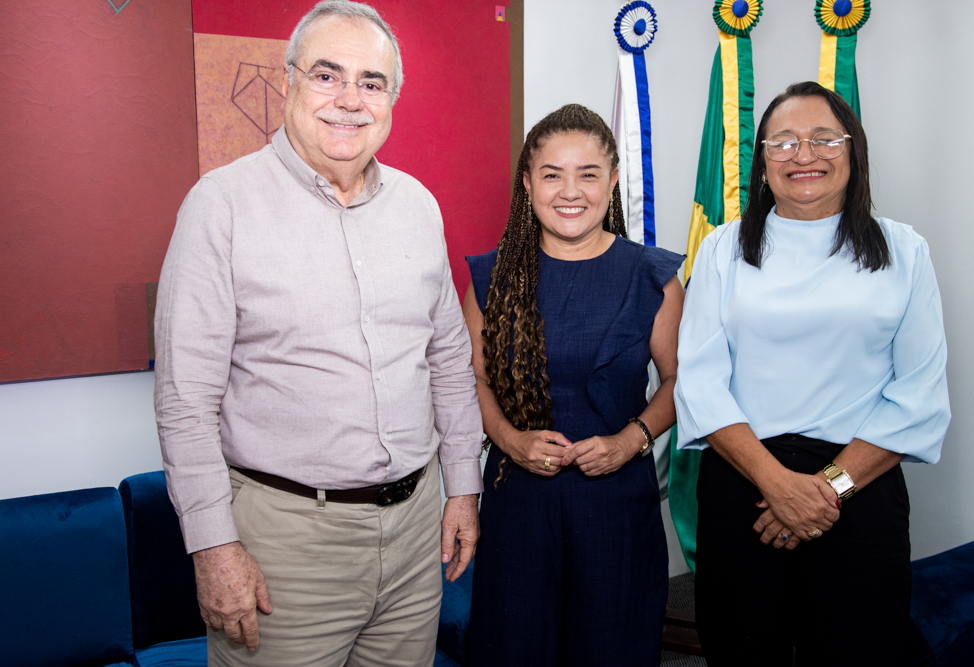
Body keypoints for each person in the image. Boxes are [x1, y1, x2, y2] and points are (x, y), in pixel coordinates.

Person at [153, 2, 483, 665]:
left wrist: (462, 486)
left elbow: (448, 357)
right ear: (288, 82)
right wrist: (214, 549)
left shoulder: (418, 207)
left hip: (416, 533)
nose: (349, 100)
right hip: (286, 546)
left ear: (392, 98)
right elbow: (185, 402)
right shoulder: (220, 207)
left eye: (371, 81)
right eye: (327, 75)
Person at [674, 81, 950, 665]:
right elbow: (699, 383)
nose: (805, 156)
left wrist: (825, 490)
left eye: (824, 139)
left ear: (854, 151)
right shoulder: (722, 249)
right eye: (784, 142)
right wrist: (777, 486)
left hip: (858, 492)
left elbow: (918, 396)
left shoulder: (904, 250)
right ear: (762, 162)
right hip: (744, 489)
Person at [463, 104, 685, 666]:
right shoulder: (490, 277)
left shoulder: (652, 275)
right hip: (518, 502)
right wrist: (511, 440)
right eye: (551, 174)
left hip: (617, 505)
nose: (571, 190)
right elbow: (476, 382)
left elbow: (680, 381)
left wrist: (630, 440)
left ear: (612, 183)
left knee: (613, 649)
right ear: (527, 182)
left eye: (588, 174)